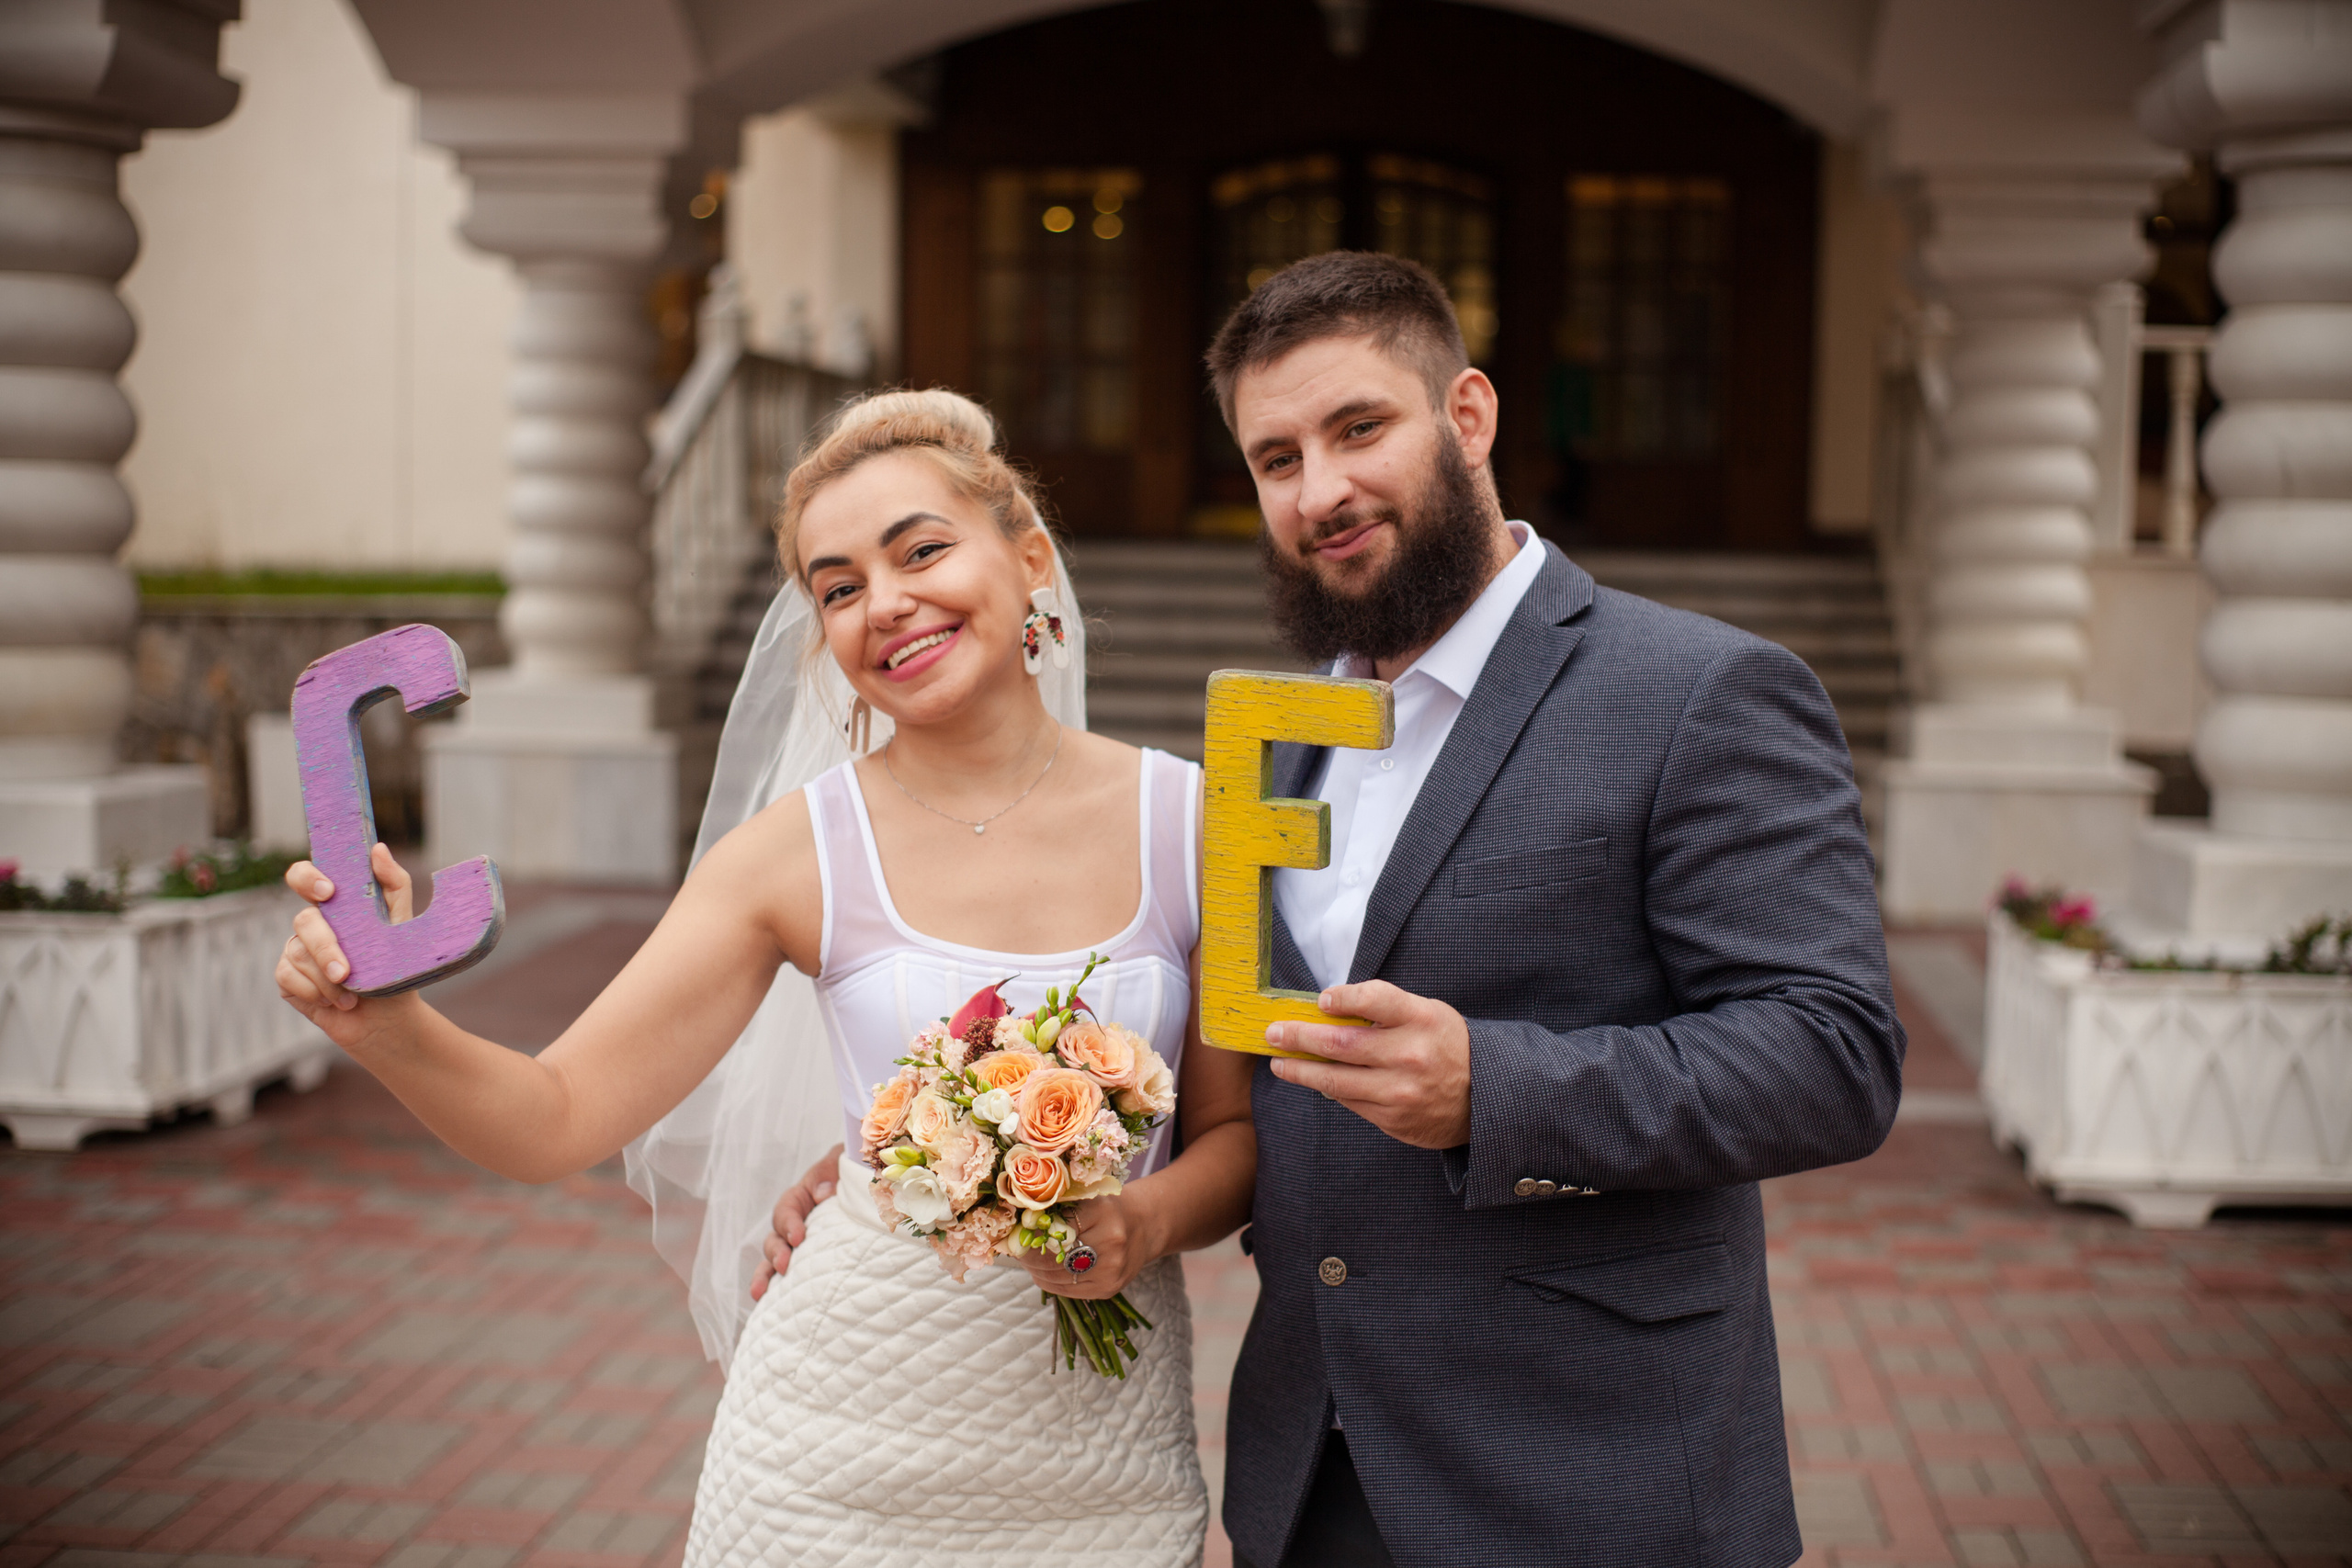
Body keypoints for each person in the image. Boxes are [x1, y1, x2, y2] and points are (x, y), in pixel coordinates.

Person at [276, 389, 1257, 1568]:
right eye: (837, 588)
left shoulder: (1196, 820)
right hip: (833, 1449)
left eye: (922, 550)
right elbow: (555, 1119)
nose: (884, 603)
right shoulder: (792, 855)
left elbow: (1236, 1141)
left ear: (1030, 559)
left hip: (1099, 1463)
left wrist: (1142, 1219)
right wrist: (384, 1025)